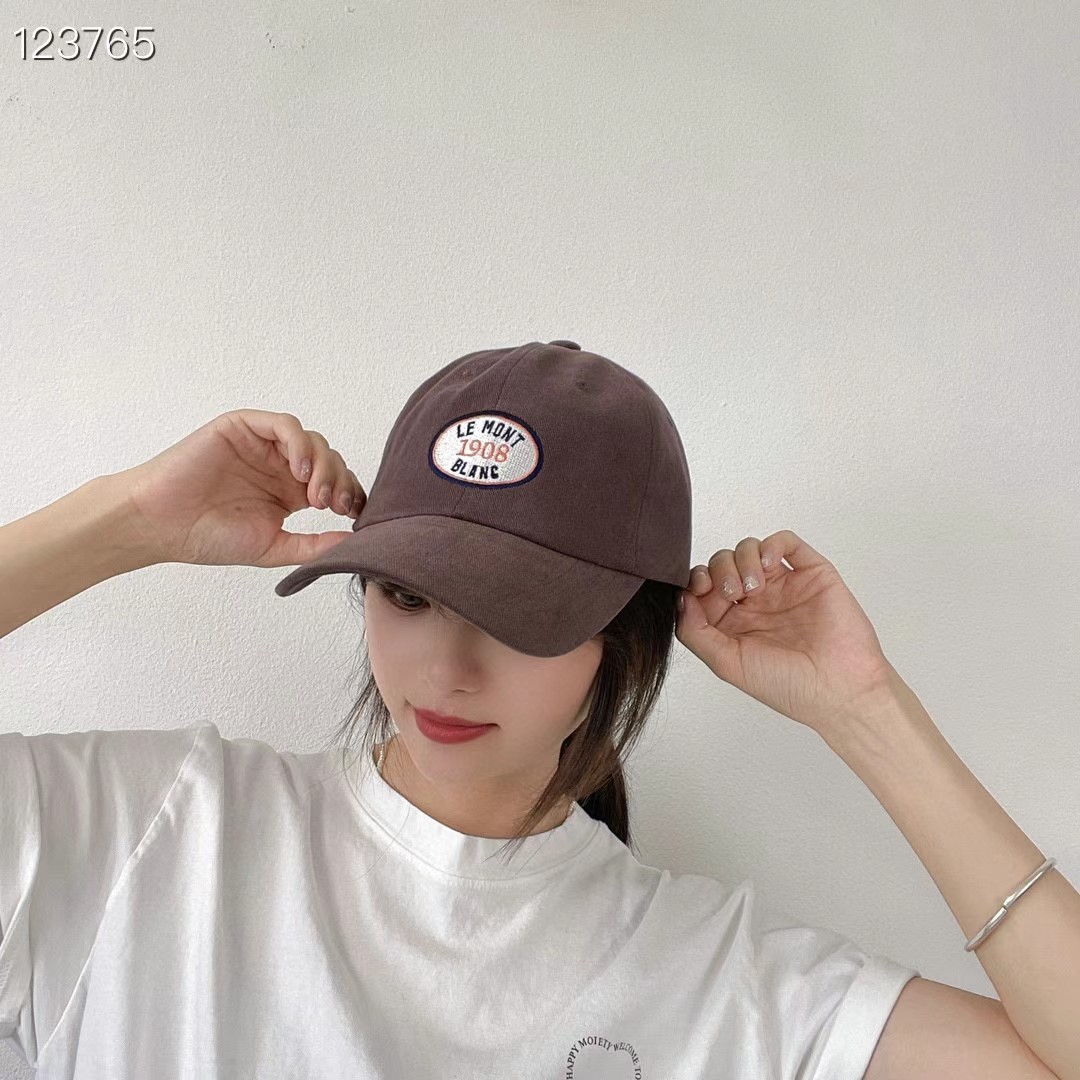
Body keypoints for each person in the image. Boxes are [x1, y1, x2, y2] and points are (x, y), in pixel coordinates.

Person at [0, 342, 923, 1078]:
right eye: (406, 596)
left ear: (628, 640)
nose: (445, 668)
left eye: (519, 616)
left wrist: (864, 708)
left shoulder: (720, 978)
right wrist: (127, 519)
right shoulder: (151, 834)